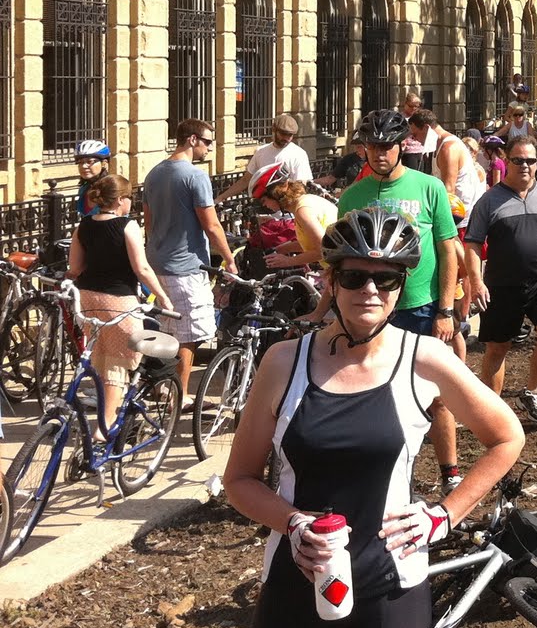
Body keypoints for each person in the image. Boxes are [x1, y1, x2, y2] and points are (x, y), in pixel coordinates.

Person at [222, 206, 522, 628]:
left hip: (391, 586)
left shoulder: (423, 358)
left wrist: (443, 517)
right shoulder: (283, 362)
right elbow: (239, 480)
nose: (371, 291)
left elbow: (507, 437)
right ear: (330, 280)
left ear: (402, 286)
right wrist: (294, 522)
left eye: (386, 280)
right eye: (355, 277)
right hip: (295, 581)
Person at [334, 108, 464, 488]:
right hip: (371, 310)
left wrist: (445, 308)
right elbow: (340, 259)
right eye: (373, 146)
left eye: (387, 146)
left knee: (435, 393)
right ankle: (379, 472)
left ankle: (449, 473)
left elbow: (446, 248)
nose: (380, 154)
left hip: (421, 306)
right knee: (372, 390)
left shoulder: (429, 187)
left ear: (401, 146)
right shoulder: (352, 196)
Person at [461, 136, 537, 424]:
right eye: (518, 160)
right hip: (502, 284)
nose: (524, 166)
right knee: (498, 348)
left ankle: (531, 391)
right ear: (506, 160)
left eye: (530, 160)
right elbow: (472, 244)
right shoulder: (489, 200)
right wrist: (476, 281)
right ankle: (492, 408)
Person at [68, 174, 176, 429]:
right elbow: (142, 268)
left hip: (88, 299)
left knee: (102, 360)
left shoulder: (83, 225)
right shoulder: (128, 226)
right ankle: (105, 428)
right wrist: (163, 298)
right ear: (119, 200)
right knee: (117, 364)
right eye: (130, 197)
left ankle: (114, 420)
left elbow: (75, 266)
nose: (132, 202)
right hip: (119, 300)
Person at [142, 118, 237, 405]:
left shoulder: (154, 173)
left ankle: (161, 388)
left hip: (157, 265)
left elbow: (148, 222)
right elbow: (211, 225)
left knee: (165, 330)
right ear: (192, 139)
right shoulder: (195, 176)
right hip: (186, 267)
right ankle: (179, 396)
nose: (210, 148)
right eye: (208, 141)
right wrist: (230, 261)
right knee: (188, 336)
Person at [255, 164, 338, 277]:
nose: (265, 205)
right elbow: (311, 241)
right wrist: (280, 249)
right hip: (337, 270)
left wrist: (288, 261)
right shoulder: (306, 202)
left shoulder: (303, 211)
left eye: (264, 200)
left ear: (276, 194)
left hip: (342, 270)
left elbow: (323, 249)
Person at [220, 113, 313, 201]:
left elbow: (300, 187)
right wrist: (221, 198)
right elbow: (246, 180)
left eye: (290, 135)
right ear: (274, 130)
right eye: (283, 134)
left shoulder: (298, 154)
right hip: (261, 210)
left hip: (285, 214)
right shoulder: (261, 151)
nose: (286, 138)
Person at [72, 138, 112, 219]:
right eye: (80, 162)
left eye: (89, 162)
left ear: (104, 163)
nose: (83, 166)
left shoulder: (112, 189)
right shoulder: (83, 189)